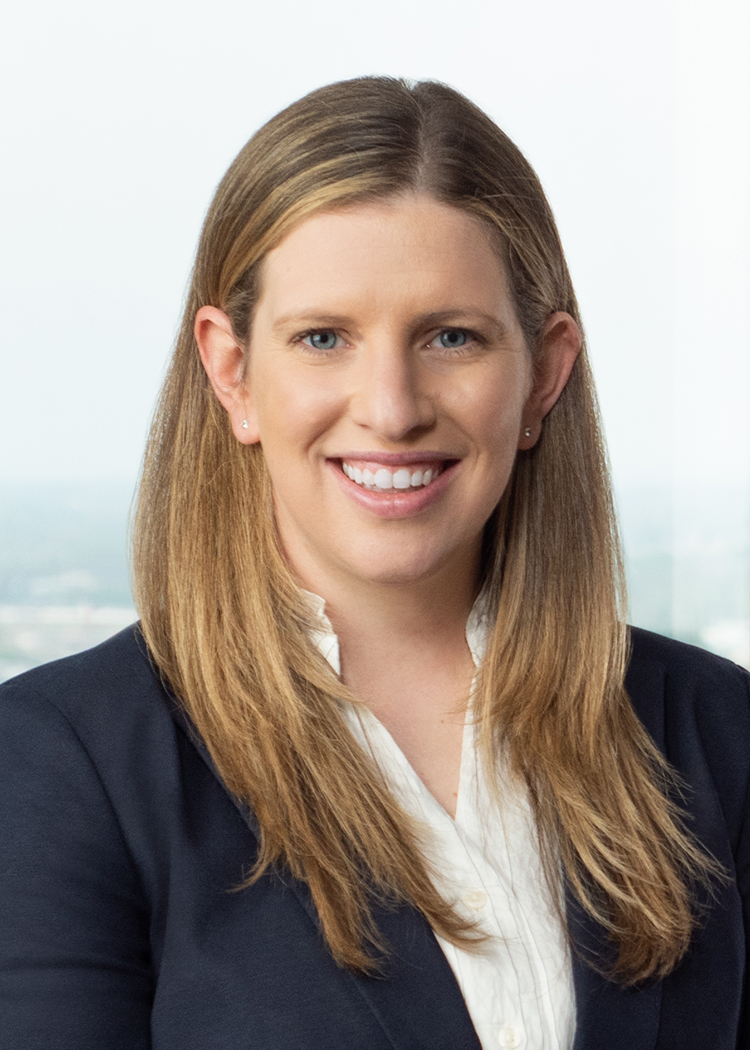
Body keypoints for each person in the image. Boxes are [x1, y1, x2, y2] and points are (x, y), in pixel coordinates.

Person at [0, 77, 748, 1050]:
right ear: (233, 373)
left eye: (451, 337)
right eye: (324, 338)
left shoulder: (719, 739)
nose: (391, 406)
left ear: (544, 374)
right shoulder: (62, 771)